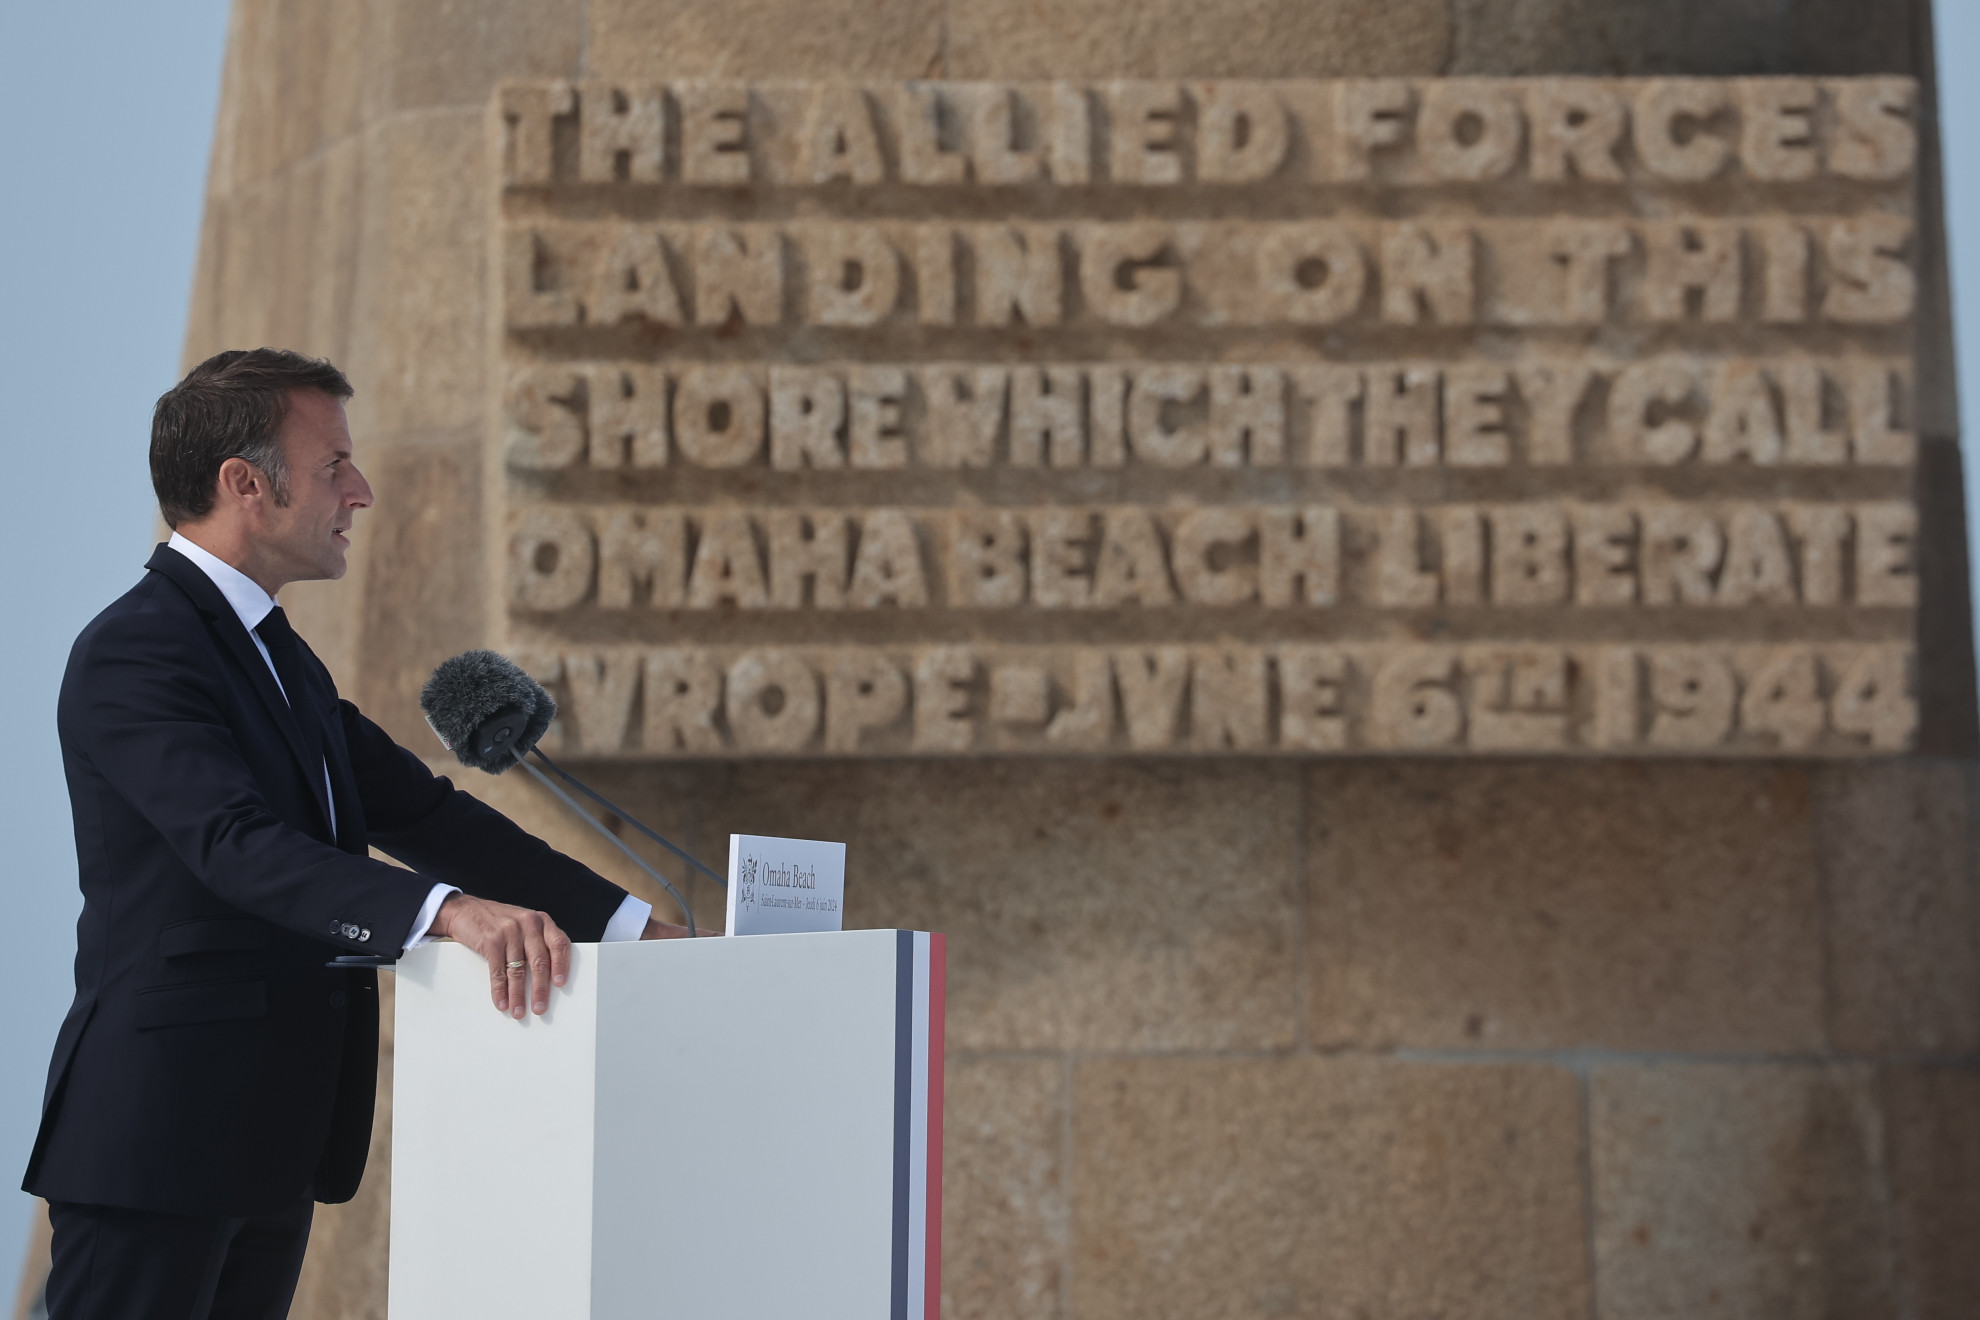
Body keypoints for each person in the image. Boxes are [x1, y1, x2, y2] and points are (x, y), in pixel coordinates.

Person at [23, 348, 697, 1319]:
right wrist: (448, 916)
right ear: (245, 484)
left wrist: (635, 933)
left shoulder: (281, 659)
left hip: (269, 1149)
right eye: (335, 465)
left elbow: (425, 814)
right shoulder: (133, 651)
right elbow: (235, 844)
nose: (362, 491)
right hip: (157, 1141)